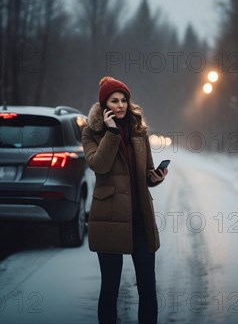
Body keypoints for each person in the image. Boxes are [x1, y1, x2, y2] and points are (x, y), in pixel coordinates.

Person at [82, 76, 168, 324]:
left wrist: (156, 177)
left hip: (139, 216)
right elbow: (99, 165)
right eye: (114, 100)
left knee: (148, 288)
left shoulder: (139, 130)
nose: (120, 105)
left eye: (124, 100)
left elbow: (147, 173)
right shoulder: (91, 132)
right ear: (104, 104)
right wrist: (111, 133)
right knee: (110, 289)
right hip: (109, 217)